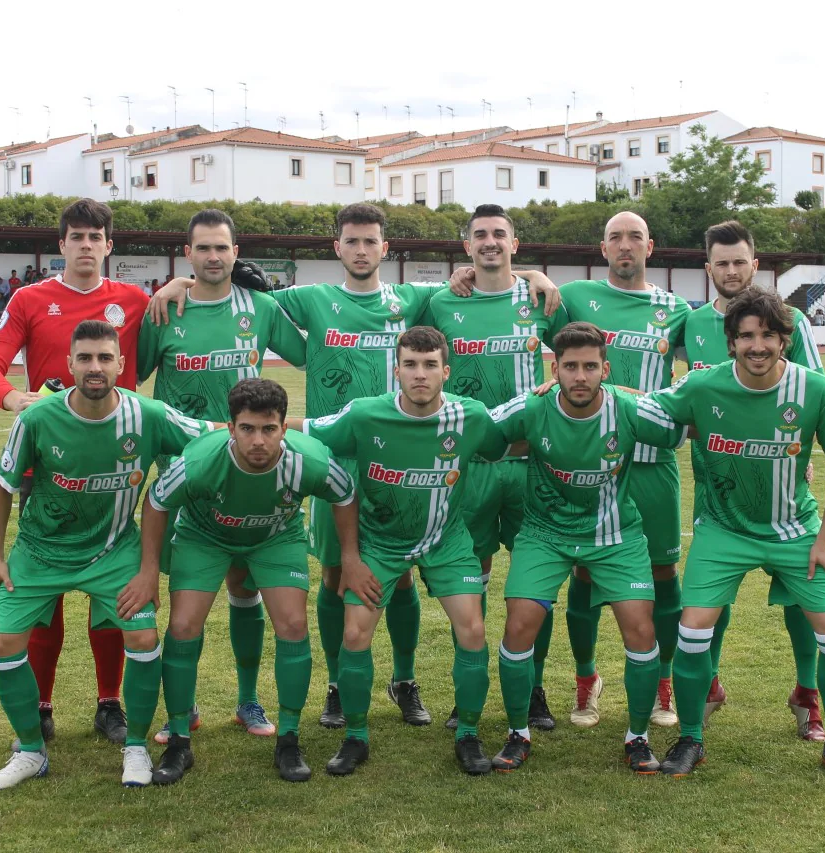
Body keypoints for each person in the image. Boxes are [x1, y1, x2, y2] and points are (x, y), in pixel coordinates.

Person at [148, 202, 558, 731]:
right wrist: (178, 283)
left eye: (371, 242)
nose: (362, 250)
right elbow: (229, 286)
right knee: (339, 573)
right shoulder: (310, 299)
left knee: (403, 575)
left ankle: (405, 680)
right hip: (337, 458)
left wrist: (527, 273)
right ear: (336, 248)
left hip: (407, 456)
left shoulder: (413, 300)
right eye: (352, 241)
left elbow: (484, 278)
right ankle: (339, 686)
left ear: (385, 249)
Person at [0, 320, 215, 790]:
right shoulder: (35, 419)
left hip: (114, 551)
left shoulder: (148, 415)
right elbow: (2, 487)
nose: (95, 367)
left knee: (143, 637)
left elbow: (214, 436)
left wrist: (275, 438)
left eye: (105, 358)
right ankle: (30, 750)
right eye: (85, 358)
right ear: (69, 365)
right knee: (2, 645)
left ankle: (136, 748)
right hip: (40, 552)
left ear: (122, 365)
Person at [651, 286, 825, 781]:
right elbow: (643, 408)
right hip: (723, 530)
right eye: (746, 336)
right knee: (693, 629)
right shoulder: (701, 386)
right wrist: (560, 389)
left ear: (785, 339)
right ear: (730, 342)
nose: (758, 345)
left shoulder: (815, 389)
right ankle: (690, 738)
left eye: (769, 335)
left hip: (794, 532)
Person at [0, 199, 153, 747]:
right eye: (76, 236)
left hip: (112, 458)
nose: (85, 244)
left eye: (95, 236)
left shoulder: (135, 300)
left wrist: (176, 289)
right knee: (44, 586)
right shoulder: (30, 299)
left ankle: (109, 704)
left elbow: (160, 352)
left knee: (111, 586)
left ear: (109, 245)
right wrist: (14, 401)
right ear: (61, 245)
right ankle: (43, 706)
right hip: (45, 464)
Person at [293, 326, 507, 776]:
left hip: (446, 541)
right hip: (380, 542)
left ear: (446, 371)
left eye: (430, 365)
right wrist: (232, 428)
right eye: (410, 364)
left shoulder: (471, 416)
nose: (420, 374)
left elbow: (511, 439)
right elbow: (304, 430)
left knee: (472, 630)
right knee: (355, 634)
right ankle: (356, 736)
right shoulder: (365, 415)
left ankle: (468, 734)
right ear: (396, 371)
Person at [138, 209, 307, 744]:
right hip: (187, 479)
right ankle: (180, 712)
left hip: (251, 471)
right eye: (203, 248)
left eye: (223, 248)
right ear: (187, 254)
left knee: (243, 586)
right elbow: (131, 376)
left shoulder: (260, 308)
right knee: (187, 605)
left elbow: (312, 351)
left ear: (237, 253)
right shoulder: (164, 310)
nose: (214, 257)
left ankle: (248, 701)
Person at [486, 322, 686, 774]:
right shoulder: (532, 407)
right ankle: (518, 732)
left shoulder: (628, 408)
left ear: (605, 370)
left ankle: (637, 736)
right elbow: (479, 432)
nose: (580, 376)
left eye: (590, 367)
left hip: (615, 536)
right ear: (553, 368)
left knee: (640, 628)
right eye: (570, 366)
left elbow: (683, 421)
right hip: (544, 533)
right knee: (520, 623)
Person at [144, 379, 354, 784]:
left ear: (283, 428)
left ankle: (288, 739)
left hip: (275, 537)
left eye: (269, 429)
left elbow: (344, 496)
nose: (258, 441)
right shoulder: (200, 462)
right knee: (184, 625)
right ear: (230, 427)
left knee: (293, 624)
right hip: (204, 537)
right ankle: (179, 740)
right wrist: (149, 569)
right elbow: (156, 502)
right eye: (248, 429)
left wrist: (350, 558)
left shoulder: (309, 459)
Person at [420, 204, 569, 731]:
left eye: (498, 235)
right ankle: (472, 690)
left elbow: (578, 355)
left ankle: (534, 691)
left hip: (534, 465)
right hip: (471, 467)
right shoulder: (439, 301)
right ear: (466, 248)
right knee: (472, 581)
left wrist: (535, 276)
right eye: (479, 235)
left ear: (515, 242)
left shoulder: (543, 299)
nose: (489, 242)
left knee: (537, 586)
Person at [683, 220, 825, 742]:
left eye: (739, 261)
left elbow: (812, 391)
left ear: (755, 263)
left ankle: (807, 694)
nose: (730, 271)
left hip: (782, 489)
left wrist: (803, 453)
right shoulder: (689, 323)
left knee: (799, 596)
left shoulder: (792, 321)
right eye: (721, 263)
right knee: (711, 598)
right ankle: (708, 684)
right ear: (708, 268)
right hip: (718, 488)